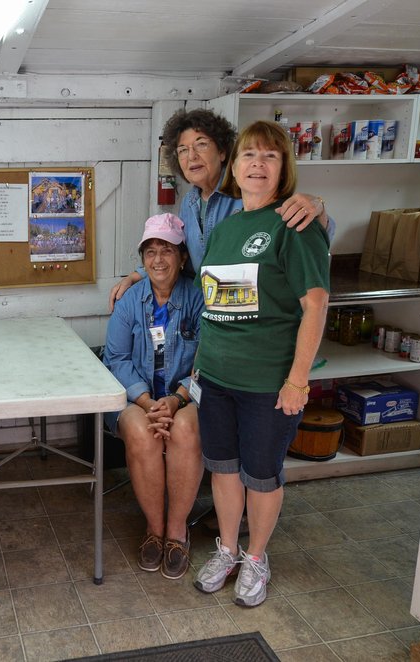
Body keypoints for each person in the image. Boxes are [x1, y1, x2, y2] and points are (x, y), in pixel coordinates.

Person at [191, 120, 330, 608]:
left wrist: (298, 381)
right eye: (249, 155)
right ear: (235, 165)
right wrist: (200, 366)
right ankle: (227, 549)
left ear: (283, 168)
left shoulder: (295, 225)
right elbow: (218, 302)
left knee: (262, 475)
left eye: (270, 157)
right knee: (224, 470)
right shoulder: (226, 228)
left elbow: (315, 305)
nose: (257, 164)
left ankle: (256, 557)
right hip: (217, 377)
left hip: (268, 383)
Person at [108, 108, 332, 310]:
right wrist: (136, 276)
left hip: (261, 315)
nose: (192, 156)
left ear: (223, 152)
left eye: (201, 144)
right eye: (183, 150)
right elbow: (179, 254)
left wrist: (318, 207)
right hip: (215, 312)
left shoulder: (248, 188)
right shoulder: (189, 202)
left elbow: (311, 235)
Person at [102, 213, 203, 580]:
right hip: (137, 398)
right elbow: (116, 358)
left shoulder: (198, 298)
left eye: (167, 251)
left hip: (188, 397)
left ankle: (178, 532)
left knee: (185, 431)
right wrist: (147, 402)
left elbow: (206, 360)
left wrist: (175, 400)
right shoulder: (131, 301)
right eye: (150, 252)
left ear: (182, 257)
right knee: (142, 432)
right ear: (142, 259)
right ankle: (154, 529)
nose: (158, 259)